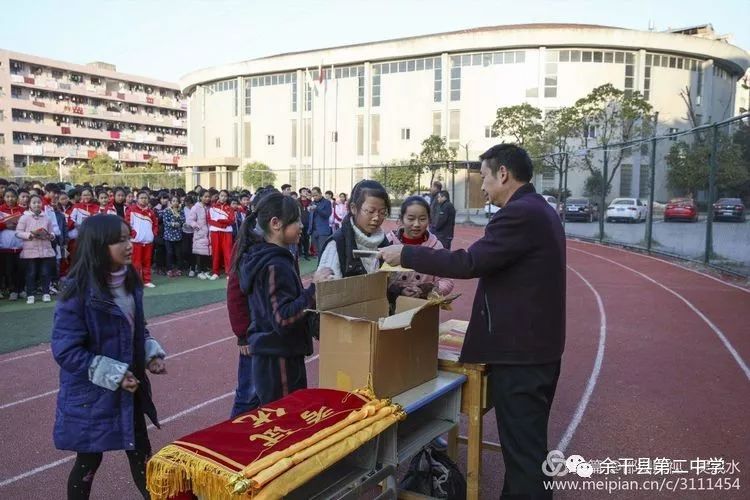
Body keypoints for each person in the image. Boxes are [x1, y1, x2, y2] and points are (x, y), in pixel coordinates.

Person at [380, 144, 566, 499]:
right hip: (535, 348)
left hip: (522, 353)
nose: (481, 187)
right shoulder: (539, 209)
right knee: (525, 449)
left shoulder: (519, 214)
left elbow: (469, 263)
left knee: (525, 453)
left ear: (503, 174)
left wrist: (405, 253)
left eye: (484, 177)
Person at [51, 214, 167, 500]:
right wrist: (113, 374)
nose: (129, 244)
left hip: (131, 389)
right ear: (99, 246)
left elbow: (137, 328)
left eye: (129, 237)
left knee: (142, 455)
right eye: (120, 240)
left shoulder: (130, 281)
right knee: (89, 461)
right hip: (92, 397)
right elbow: (66, 350)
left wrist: (150, 352)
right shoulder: (77, 293)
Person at [234, 192, 331, 415]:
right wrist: (315, 289)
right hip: (279, 359)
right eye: (296, 220)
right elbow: (283, 318)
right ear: (276, 224)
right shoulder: (275, 264)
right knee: (287, 420)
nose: (301, 226)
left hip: (277, 356)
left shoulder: (268, 258)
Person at [385, 196, 454, 309]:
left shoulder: (436, 246)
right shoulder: (388, 243)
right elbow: (377, 281)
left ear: (429, 220)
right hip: (392, 309)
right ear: (401, 219)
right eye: (411, 219)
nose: (417, 224)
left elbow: (447, 281)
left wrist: (426, 290)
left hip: (425, 310)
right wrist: (398, 291)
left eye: (422, 219)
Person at [317, 180, 390, 279]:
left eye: (382, 212)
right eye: (371, 211)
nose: (376, 217)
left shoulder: (383, 241)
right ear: (353, 208)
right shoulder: (337, 244)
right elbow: (328, 290)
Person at [16, 194, 56, 304]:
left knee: (45, 273)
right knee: (31, 273)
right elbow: (18, 232)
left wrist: (51, 236)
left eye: (39, 202)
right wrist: (29, 235)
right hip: (30, 250)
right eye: (34, 202)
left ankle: (46, 293)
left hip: (45, 249)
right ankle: (30, 294)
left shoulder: (47, 218)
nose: (37, 204)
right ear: (29, 204)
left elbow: (52, 232)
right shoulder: (24, 217)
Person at [126, 191, 159, 288]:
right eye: (141, 198)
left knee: (147, 262)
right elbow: (127, 223)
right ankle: (136, 281)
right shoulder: (131, 210)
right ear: (137, 199)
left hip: (148, 242)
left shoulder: (151, 212)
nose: (144, 200)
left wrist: (153, 234)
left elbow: (155, 225)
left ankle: (147, 281)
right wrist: (133, 234)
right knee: (136, 263)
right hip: (136, 242)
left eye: (145, 198)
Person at [0, 189, 26, 300]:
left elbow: (28, 224)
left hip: (21, 246)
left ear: (17, 198)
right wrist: (5, 226)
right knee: (9, 270)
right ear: (4, 197)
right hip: (6, 247)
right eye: (7, 196)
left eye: (13, 196)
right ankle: (12, 291)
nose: (10, 199)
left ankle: (21, 290)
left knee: (21, 269)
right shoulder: (0, 210)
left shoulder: (23, 210)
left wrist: (18, 226)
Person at [207, 189, 235, 280]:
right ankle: (215, 272)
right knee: (216, 252)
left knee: (228, 252)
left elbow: (231, 220)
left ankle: (229, 273)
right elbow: (210, 220)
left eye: (225, 196)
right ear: (218, 196)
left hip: (227, 232)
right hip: (215, 232)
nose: (223, 198)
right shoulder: (212, 207)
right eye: (222, 195)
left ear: (227, 198)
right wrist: (221, 224)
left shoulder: (230, 208)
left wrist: (220, 222)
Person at [188, 190, 212, 279]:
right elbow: (191, 220)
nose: (207, 198)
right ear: (200, 197)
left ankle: (205, 270)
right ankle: (199, 271)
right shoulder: (196, 207)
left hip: (208, 233)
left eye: (208, 196)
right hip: (200, 233)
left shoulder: (209, 207)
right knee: (199, 253)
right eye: (205, 196)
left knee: (206, 253)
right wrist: (197, 227)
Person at [161, 195, 185, 278]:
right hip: (168, 236)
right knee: (169, 253)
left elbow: (183, 219)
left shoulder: (180, 210)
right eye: (173, 201)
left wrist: (180, 222)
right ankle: (169, 269)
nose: (175, 202)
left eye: (177, 201)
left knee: (178, 253)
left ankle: (179, 269)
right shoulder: (166, 211)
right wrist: (173, 223)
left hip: (178, 235)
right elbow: (165, 221)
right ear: (170, 202)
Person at [308, 187, 333, 261]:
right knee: (317, 252)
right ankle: (319, 268)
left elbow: (327, 214)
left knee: (323, 252)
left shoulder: (327, 202)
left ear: (320, 193)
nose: (314, 197)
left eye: (316, 195)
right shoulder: (312, 203)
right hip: (313, 231)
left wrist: (317, 208)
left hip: (323, 231)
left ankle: (322, 269)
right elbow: (311, 217)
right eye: (313, 196)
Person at [181, 194, 196, 276]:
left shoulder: (196, 208)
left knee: (192, 251)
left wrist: (193, 225)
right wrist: (184, 224)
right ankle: (189, 264)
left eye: (189, 204)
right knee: (185, 250)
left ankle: (193, 268)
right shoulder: (184, 208)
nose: (188, 206)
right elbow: (182, 218)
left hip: (194, 232)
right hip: (185, 232)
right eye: (186, 204)